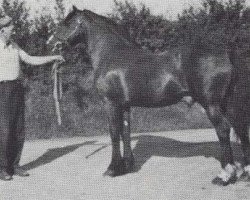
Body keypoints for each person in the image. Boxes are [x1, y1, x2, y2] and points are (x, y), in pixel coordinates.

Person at [0, 15, 64, 181]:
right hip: (2, 90)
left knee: (19, 130)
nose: (12, 29)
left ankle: (15, 165)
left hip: (17, 89)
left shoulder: (14, 46)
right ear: (2, 30)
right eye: (10, 27)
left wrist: (53, 58)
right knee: (5, 131)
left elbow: (30, 59)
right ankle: (3, 169)